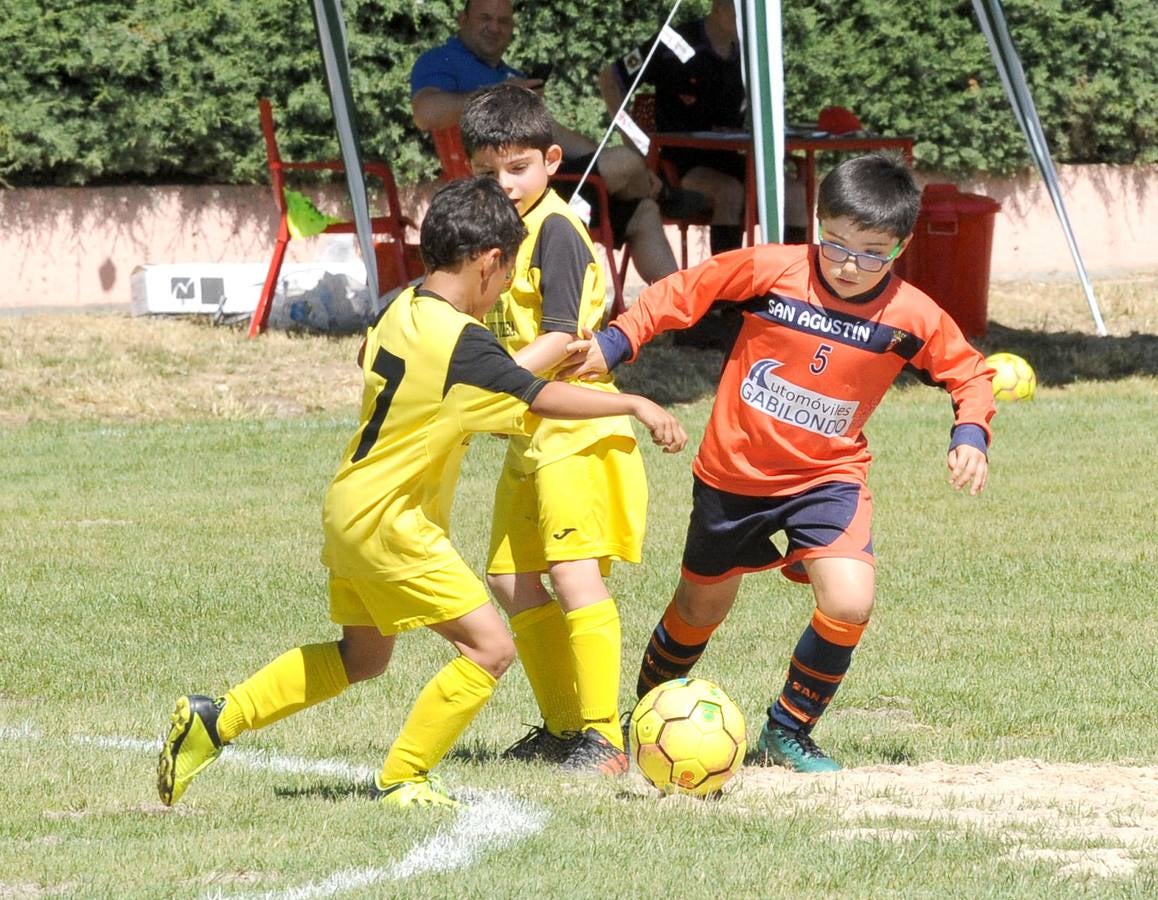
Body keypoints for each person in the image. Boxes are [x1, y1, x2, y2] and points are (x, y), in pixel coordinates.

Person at [155, 176, 687, 810]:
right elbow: (538, 396)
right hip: (393, 522)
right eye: (508, 271)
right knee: (489, 647)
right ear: (489, 263)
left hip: (349, 506)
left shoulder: (397, 306)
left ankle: (215, 721)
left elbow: (377, 367)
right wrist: (631, 400)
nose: (503, 288)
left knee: (362, 656)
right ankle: (405, 776)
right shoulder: (464, 343)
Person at [561, 154, 996, 772]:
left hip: (828, 479)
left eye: (871, 253)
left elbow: (969, 371)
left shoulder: (912, 316)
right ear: (818, 224)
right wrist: (617, 339)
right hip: (732, 477)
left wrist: (971, 433)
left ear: (900, 246)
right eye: (835, 244)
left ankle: (788, 730)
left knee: (849, 601)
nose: (848, 265)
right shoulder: (774, 269)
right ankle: (648, 718)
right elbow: (689, 289)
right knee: (699, 610)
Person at [457, 83, 649, 774]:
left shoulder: (559, 230)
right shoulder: (496, 238)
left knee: (573, 577)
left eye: (517, 169)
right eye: (487, 172)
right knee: (511, 582)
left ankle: (602, 735)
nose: (503, 185)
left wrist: (490, 382)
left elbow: (565, 336)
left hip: (576, 429)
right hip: (528, 431)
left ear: (551, 160)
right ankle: (564, 726)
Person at [410, 0, 704, 285]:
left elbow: (558, 135)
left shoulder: (512, 76)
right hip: (498, 192)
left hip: (549, 185)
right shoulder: (440, 61)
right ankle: (664, 193)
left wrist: (627, 169)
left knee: (643, 211)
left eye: (503, 21)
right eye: (485, 18)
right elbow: (425, 112)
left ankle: (681, 316)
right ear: (463, 20)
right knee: (626, 162)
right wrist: (498, 93)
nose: (494, 27)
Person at [599, 0, 747, 257]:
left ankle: (793, 293)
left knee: (792, 192)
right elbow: (611, 78)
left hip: (733, 158)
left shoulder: (752, 53)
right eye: (742, 14)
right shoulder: (672, 42)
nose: (749, 23)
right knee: (730, 193)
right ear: (720, 7)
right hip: (678, 165)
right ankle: (725, 295)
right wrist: (637, 146)